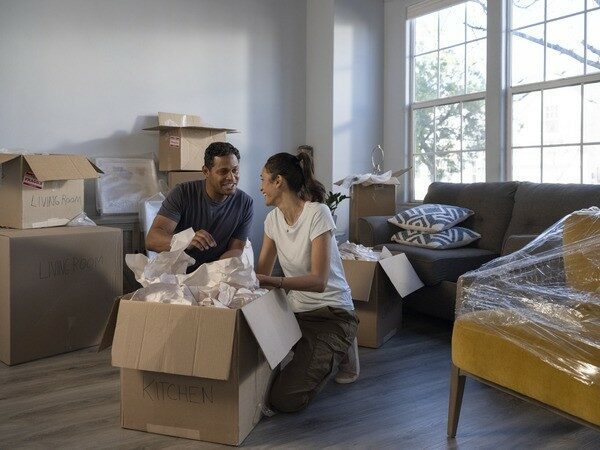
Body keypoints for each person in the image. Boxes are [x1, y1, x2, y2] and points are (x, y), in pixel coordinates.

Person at [256, 151, 360, 414]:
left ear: (279, 181)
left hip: (332, 314)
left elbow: (319, 281)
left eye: (264, 180)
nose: (261, 188)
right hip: (296, 311)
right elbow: (261, 275)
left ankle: (345, 343)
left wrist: (275, 281)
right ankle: (314, 350)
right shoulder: (272, 220)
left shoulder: (318, 213)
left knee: (284, 400)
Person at [146, 142, 253, 271]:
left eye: (235, 170)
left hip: (216, 274)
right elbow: (152, 240)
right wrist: (185, 240)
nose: (231, 177)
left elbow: (236, 248)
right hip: (179, 275)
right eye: (223, 171)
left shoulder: (245, 203)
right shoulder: (182, 193)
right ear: (206, 171)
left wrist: (214, 272)